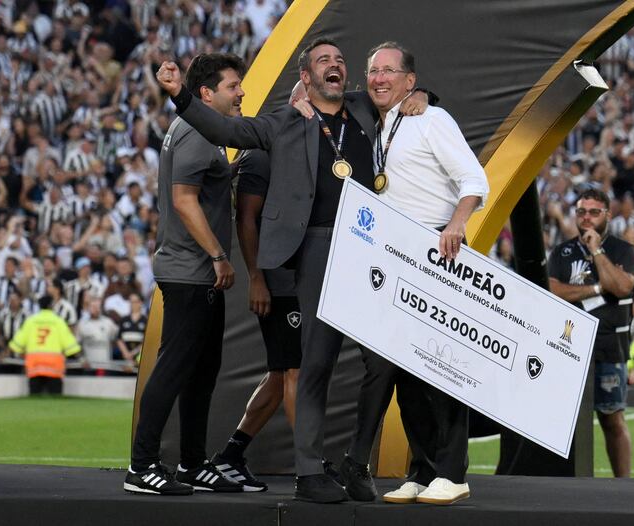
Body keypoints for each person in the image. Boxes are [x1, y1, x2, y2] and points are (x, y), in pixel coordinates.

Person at [154, 40, 429, 503]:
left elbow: (400, 91)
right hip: (318, 246)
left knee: (384, 362)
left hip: (370, 246)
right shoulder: (285, 121)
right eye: (323, 61)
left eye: (341, 60)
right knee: (313, 363)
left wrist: (423, 97)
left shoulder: (366, 109)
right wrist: (179, 94)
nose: (335, 65)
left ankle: (356, 465)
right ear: (305, 77)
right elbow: (224, 129)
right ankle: (308, 473)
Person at [343, 42, 489, 506]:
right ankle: (422, 470)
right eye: (372, 71)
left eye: (389, 71)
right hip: (393, 257)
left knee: (442, 367)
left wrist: (457, 223)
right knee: (406, 373)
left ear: (410, 81)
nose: (378, 78)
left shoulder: (431, 119)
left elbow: (474, 180)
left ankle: (453, 471)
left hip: (434, 251)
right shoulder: (376, 123)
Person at [124, 53, 245, 496]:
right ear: (207, 93)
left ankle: (192, 463)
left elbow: (202, 185)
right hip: (192, 271)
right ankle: (141, 467)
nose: (242, 93)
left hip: (194, 271)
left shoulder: (200, 131)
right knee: (174, 368)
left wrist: (232, 170)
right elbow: (184, 200)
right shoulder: (197, 130)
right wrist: (218, 255)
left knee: (201, 370)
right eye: (234, 86)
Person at [209, 149, 299, 493]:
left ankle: (232, 453)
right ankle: (309, 466)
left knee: (280, 374)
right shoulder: (263, 155)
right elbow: (245, 218)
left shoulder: (312, 149)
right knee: (295, 371)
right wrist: (257, 279)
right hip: (279, 282)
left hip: (298, 279)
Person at [547, 188, 634, 478]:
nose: (586, 217)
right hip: (567, 346)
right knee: (565, 423)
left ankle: (623, 484)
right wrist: (598, 288)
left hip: (608, 345)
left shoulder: (623, 251)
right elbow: (552, 290)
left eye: (593, 212)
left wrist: (597, 251)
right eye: (581, 212)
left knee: (612, 419)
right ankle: (569, 485)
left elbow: (623, 287)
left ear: (607, 215)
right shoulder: (562, 252)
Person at [8, 295, 81, 395]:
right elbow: (71, 346)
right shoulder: (58, 321)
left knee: (34, 399)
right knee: (55, 400)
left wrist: (5, 354)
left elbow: (17, 344)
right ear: (51, 305)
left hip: (34, 365)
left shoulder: (31, 321)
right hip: (54, 366)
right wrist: (82, 359)